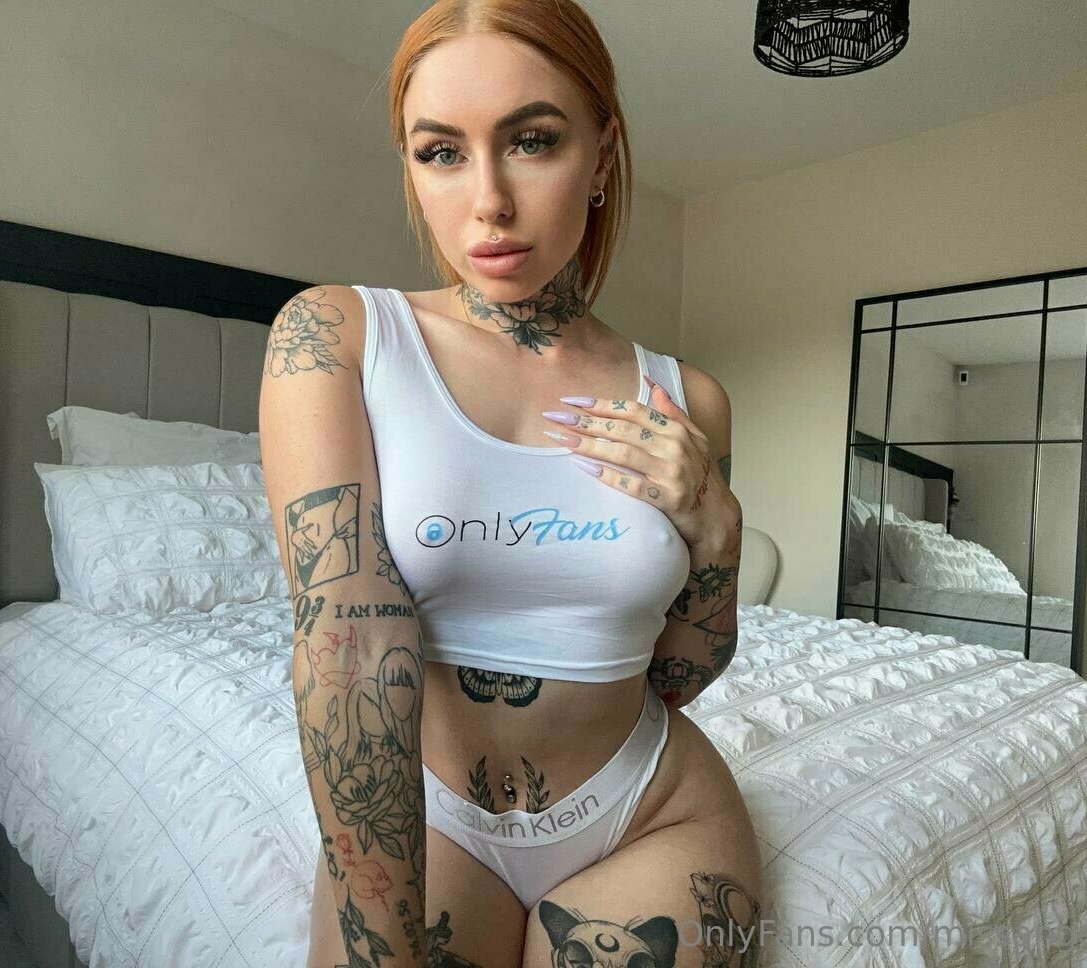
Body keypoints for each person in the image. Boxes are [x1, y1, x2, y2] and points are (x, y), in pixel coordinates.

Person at [259, 3, 762, 966]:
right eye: (441, 152)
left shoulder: (687, 396)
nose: (487, 201)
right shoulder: (337, 336)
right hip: (430, 816)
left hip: (652, 811)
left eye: (531, 141)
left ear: (602, 155)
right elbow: (350, 642)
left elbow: (677, 678)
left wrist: (717, 528)